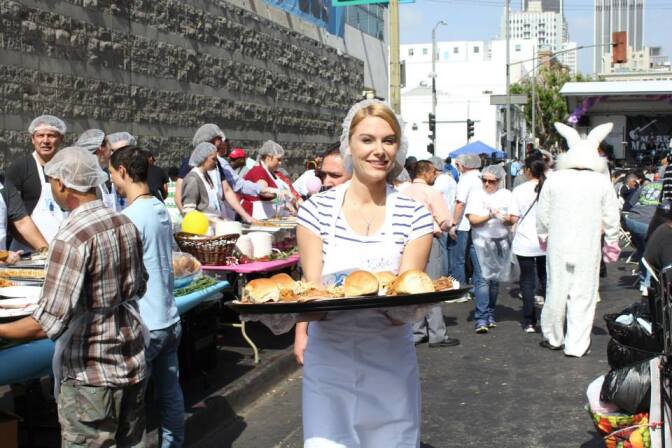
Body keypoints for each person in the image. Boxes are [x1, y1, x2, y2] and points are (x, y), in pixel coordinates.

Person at [294, 99, 433, 447]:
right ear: (349, 145)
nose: (379, 151)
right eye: (367, 140)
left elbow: (401, 309)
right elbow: (313, 294)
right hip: (329, 361)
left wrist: (348, 289)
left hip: (390, 360)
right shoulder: (315, 211)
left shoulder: (415, 215)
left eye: (388, 141)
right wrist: (295, 318)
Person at [0, 146, 148, 446]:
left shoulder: (71, 237)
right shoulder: (124, 223)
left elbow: (47, 323)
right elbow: (141, 285)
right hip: (132, 363)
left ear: (62, 184)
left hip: (91, 374)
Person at [109, 146, 184, 448]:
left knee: (132, 409)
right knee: (170, 396)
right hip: (169, 318)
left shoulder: (129, 217)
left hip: (146, 324)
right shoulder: (158, 207)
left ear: (123, 172)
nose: (112, 181)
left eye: (112, 174)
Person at [537, 123, 621, 357]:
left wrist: (543, 235)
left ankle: (554, 337)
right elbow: (612, 217)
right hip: (588, 245)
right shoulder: (601, 181)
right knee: (583, 294)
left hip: (558, 244)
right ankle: (577, 344)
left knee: (556, 290)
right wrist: (611, 243)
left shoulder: (554, 179)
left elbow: (542, 213)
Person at [405, 160, 459, 348]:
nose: (435, 176)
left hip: (406, 242)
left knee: (413, 285)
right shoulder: (431, 193)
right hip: (428, 239)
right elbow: (444, 220)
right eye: (433, 172)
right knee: (433, 285)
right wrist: (448, 227)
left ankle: (417, 331)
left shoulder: (403, 191)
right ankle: (437, 334)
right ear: (426, 172)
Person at [6, 115, 68, 249]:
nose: (45, 140)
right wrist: (40, 248)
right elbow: (12, 216)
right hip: (27, 250)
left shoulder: (67, 169)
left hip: (61, 247)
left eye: (51, 136)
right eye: (40, 136)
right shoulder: (20, 168)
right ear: (33, 139)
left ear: (61, 138)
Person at [465, 164, 512, 333]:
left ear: (499, 181)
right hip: (480, 242)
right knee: (482, 280)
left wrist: (505, 218)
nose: (486, 184)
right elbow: (473, 220)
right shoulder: (476, 195)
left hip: (500, 242)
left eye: (491, 181)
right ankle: (481, 317)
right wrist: (490, 215)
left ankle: (490, 312)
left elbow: (512, 219)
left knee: (494, 281)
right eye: (484, 180)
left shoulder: (506, 195)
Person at [508, 152, 547, 333]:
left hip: (525, 242)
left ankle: (529, 320)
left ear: (528, 170)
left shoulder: (519, 190)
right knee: (547, 280)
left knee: (527, 281)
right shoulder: (549, 188)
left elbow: (513, 217)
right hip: (547, 241)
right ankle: (548, 318)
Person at [181, 142, 254, 223]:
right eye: (213, 159)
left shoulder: (206, 176)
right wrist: (212, 220)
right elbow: (188, 211)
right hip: (202, 230)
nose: (216, 163)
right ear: (203, 158)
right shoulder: (193, 179)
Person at [450, 153, 483, 300]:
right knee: (475, 259)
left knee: (459, 259)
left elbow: (460, 203)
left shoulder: (465, 179)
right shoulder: (482, 177)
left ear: (462, 165)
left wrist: (453, 223)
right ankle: (477, 288)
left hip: (464, 223)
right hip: (479, 222)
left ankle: (460, 292)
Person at [241, 141, 299, 219]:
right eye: (278, 159)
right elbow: (262, 191)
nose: (280, 163)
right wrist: (283, 192)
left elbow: (272, 198)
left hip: (268, 217)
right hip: (256, 217)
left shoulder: (270, 173)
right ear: (268, 158)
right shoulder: (258, 170)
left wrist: (285, 205)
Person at [76, 129, 125, 211]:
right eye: (109, 144)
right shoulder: (90, 178)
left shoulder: (105, 172)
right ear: (101, 148)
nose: (111, 149)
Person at [431, 157, 458, 277]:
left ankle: (444, 275)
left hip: (441, 219)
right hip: (451, 217)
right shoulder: (451, 179)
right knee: (449, 250)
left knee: (442, 251)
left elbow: (433, 200)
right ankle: (451, 275)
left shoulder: (439, 182)